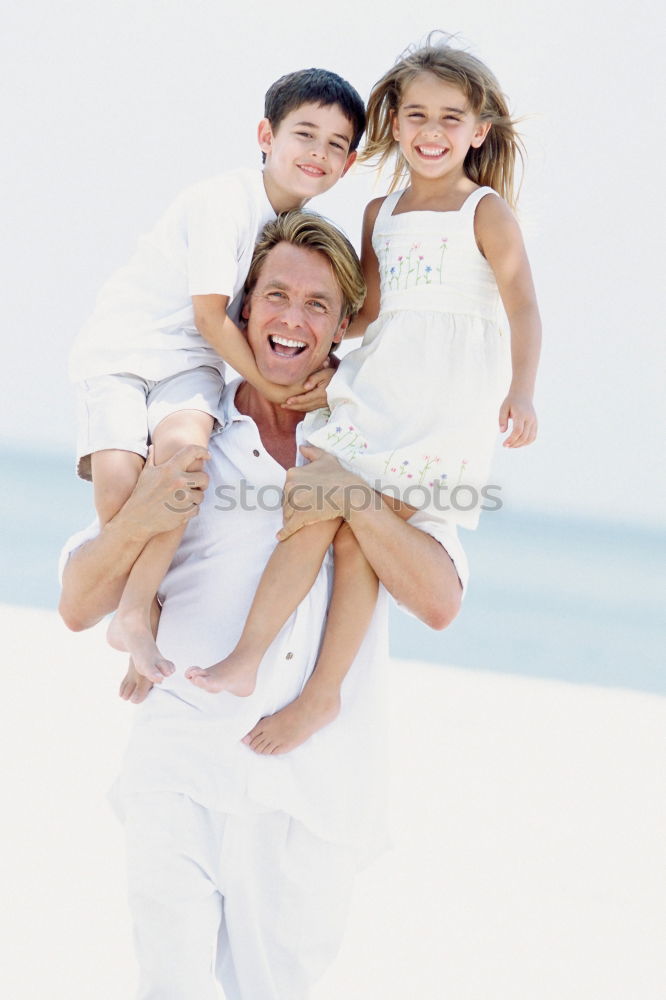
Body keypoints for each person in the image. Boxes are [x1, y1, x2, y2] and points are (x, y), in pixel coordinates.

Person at [59, 211, 469, 999]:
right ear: (242, 308)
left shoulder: (375, 439)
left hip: (310, 796)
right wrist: (144, 511)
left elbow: (440, 600)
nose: (291, 319)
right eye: (275, 295)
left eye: (317, 304)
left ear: (345, 324)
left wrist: (353, 495)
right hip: (177, 763)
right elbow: (78, 603)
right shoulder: (186, 429)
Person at [184, 37, 542, 756]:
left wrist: (524, 393)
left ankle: (322, 695)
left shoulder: (486, 212)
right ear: (394, 123)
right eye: (416, 115)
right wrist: (322, 360)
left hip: (440, 415)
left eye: (450, 118)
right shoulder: (382, 211)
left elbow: (524, 307)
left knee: (358, 541)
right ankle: (248, 656)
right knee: (312, 505)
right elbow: (371, 313)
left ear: (479, 131)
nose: (432, 132)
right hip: (376, 394)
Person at [69, 67, 365, 696]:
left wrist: (331, 368)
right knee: (123, 485)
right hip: (125, 353)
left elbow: (329, 316)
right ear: (265, 134)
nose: (317, 153)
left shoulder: (280, 235)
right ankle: (138, 611)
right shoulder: (224, 202)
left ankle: (137, 613)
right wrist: (277, 387)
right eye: (304, 134)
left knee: (185, 460)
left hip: (192, 363)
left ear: (350, 161)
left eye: (335, 144)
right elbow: (211, 314)